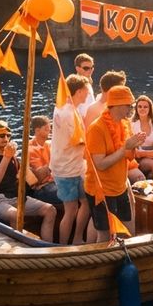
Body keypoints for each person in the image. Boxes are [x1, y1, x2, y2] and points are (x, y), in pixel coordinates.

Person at [0, 120, 57, 242]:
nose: (6, 139)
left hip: (16, 196)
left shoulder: (14, 156)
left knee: (50, 210)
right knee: (16, 214)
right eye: (2, 135)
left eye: (8, 136)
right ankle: (27, 245)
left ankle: (47, 245)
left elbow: (30, 180)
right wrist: (7, 157)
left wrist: (43, 173)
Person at [85, 85, 145, 238]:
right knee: (105, 237)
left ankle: (126, 259)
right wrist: (126, 147)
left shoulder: (124, 124)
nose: (131, 109)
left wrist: (134, 147)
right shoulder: (96, 129)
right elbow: (100, 164)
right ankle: (102, 261)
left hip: (120, 186)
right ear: (117, 105)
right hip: (102, 191)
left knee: (127, 231)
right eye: (128, 105)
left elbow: (128, 157)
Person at [51, 74, 92, 245]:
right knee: (71, 209)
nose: (88, 94)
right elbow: (79, 142)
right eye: (86, 91)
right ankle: (63, 244)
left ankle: (76, 239)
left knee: (85, 203)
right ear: (80, 91)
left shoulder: (61, 108)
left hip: (71, 166)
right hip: (68, 169)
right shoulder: (69, 114)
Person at [28, 114, 59, 203]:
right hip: (43, 187)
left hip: (55, 181)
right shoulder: (30, 149)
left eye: (50, 128)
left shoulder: (48, 144)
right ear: (37, 130)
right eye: (46, 129)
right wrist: (56, 158)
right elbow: (40, 177)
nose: (50, 131)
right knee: (71, 194)